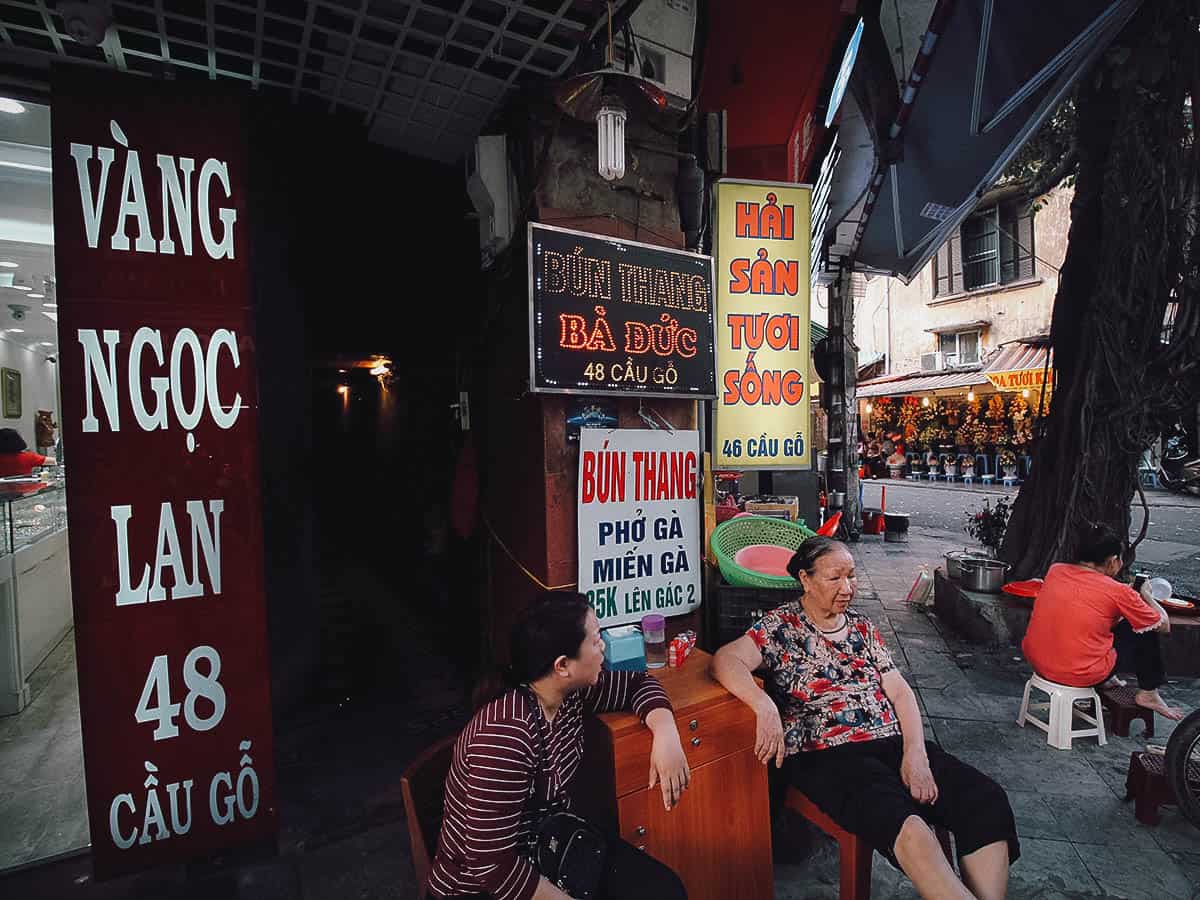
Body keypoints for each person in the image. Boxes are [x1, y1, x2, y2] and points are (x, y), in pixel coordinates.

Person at [714, 537, 1018, 900]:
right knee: (909, 828)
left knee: (984, 800)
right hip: (829, 754)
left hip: (891, 741)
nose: (847, 588)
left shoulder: (862, 628)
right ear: (805, 580)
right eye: (834, 578)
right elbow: (725, 660)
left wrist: (915, 753)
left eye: (852, 576)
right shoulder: (781, 627)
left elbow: (900, 692)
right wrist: (762, 703)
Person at [427, 591, 689, 900]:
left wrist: (666, 734)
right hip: (482, 888)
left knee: (664, 890)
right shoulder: (505, 735)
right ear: (562, 665)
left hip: (552, 849)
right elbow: (491, 865)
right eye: (594, 640)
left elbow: (638, 684)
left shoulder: (567, 694)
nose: (603, 644)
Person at [1022, 522, 1183, 720]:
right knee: (1147, 628)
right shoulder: (1118, 591)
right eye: (1120, 559)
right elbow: (1163, 625)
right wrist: (1146, 596)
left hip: (1039, 662)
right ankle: (1149, 692)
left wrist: (1128, 598)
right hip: (1077, 672)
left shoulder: (1056, 571)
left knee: (1112, 622)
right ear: (1112, 560)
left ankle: (1109, 678)